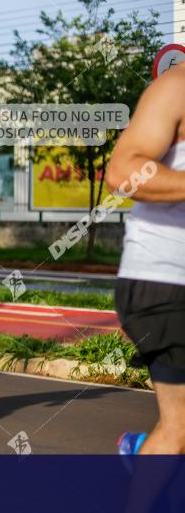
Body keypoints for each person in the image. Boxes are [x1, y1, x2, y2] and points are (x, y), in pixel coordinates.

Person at [108, 65, 185, 455]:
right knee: (181, 428)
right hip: (169, 280)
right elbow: (123, 170)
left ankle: (145, 454)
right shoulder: (177, 86)